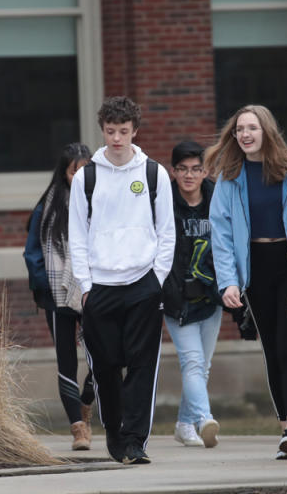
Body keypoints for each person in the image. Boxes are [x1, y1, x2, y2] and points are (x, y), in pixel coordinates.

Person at [68, 96, 175, 465]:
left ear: (135, 131)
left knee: (143, 365)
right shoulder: (87, 177)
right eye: (110, 131)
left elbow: (167, 231)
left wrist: (156, 278)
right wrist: (85, 285)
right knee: (106, 366)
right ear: (102, 130)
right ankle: (114, 428)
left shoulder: (153, 173)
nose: (117, 138)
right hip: (100, 287)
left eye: (124, 132)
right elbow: (77, 235)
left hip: (143, 283)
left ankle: (134, 441)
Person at [206, 104, 287, 460]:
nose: (245, 134)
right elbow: (220, 236)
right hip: (255, 270)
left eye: (252, 127)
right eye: (239, 129)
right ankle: (286, 429)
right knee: (271, 348)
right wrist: (229, 283)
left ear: (266, 130)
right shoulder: (229, 176)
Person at [29, 142, 97, 450]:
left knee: (105, 356)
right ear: (65, 173)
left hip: (94, 292)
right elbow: (32, 252)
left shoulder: (102, 204)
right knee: (66, 362)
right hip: (57, 296)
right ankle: (78, 428)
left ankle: (88, 400)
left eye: (86, 170)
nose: (81, 176)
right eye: (75, 171)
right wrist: (46, 285)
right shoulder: (47, 208)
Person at [162, 141, 223, 448]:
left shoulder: (218, 199)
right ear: (173, 172)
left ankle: (184, 425)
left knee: (203, 365)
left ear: (205, 171)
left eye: (195, 169)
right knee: (193, 362)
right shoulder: (163, 202)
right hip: (177, 297)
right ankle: (204, 419)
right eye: (182, 169)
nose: (189, 175)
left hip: (211, 297)